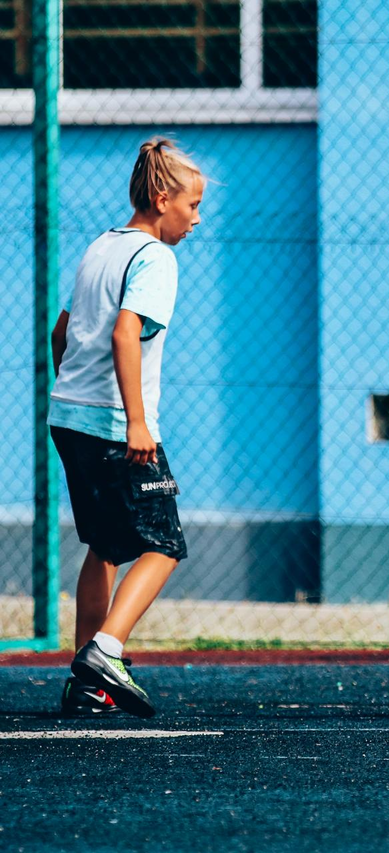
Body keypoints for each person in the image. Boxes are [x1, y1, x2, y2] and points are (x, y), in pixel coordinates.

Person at [50, 138, 204, 717]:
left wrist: (74, 397)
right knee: (163, 544)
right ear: (162, 199)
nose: (196, 219)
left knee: (107, 546)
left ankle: (85, 683)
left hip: (68, 417)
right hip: (117, 426)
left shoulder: (101, 246)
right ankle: (106, 652)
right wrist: (136, 421)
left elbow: (61, 334)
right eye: (192, 205)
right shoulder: (156, 257)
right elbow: (125, 333)